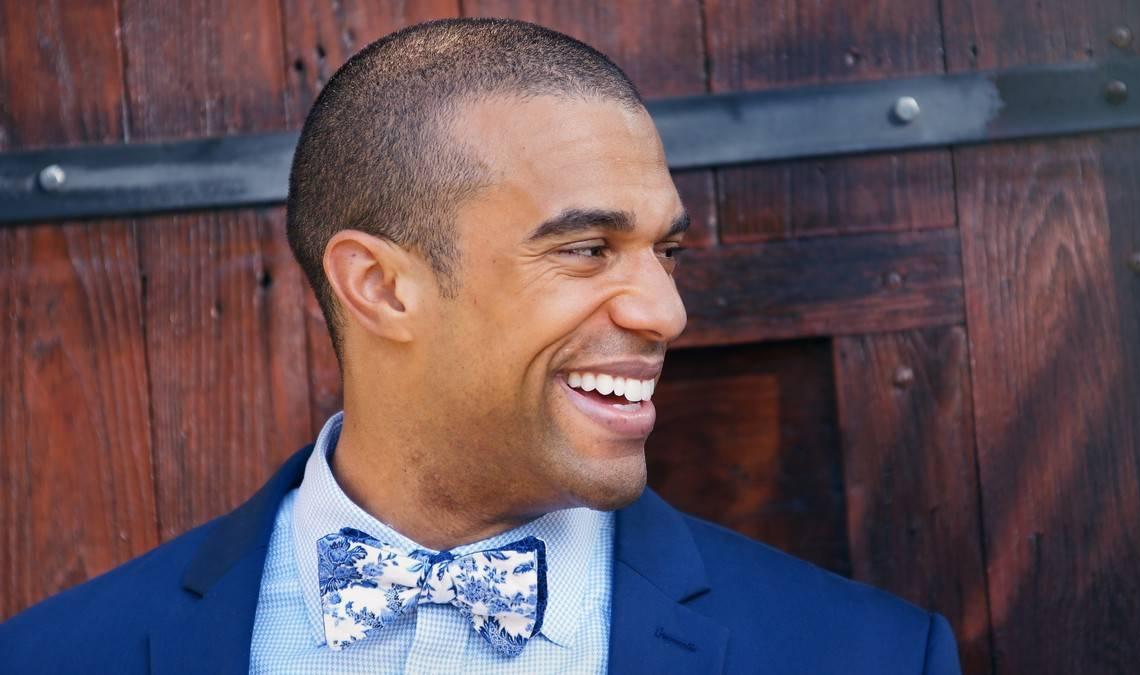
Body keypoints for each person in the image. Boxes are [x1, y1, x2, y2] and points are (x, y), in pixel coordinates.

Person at [0, 18, 961, 674]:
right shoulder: (56, 657)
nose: (665, 312)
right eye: (587, 248)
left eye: (663, 249)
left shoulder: (862, 655)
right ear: (380, 286)